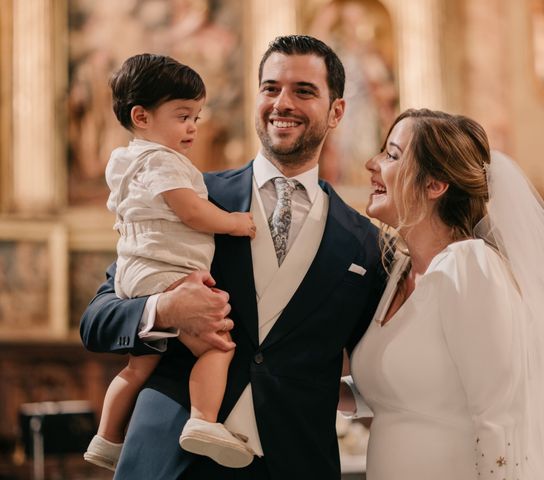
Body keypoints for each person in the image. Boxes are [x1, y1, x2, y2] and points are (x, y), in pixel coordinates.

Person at [80, 36, 386, 479]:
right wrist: (164, 309)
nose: (282, 103)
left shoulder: (364, 243)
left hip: (293, 461)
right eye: (270, 88)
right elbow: (98, 320)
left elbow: (374, 360)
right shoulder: (186, 196)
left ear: (337, 111)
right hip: (169, 459)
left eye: (303, 91)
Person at [340, 108, 544, 479]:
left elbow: (500, 418)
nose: (372, 163)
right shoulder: (399, 272)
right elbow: (409, 393)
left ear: (435, 185)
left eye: (392, 155)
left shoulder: (469, 267)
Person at [83, 54, 257, 471]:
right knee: (217, 344)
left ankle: (106, 437)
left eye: (196, 116)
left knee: (137, 367)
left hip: (140, 267)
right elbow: (193, 213)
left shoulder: (126, 161)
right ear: (141, 116)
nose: (194, 127)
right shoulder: (165, 163)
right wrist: (233, 222)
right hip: (167, 274)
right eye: (183, 116)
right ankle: (202, 420)